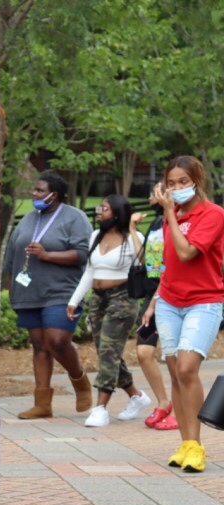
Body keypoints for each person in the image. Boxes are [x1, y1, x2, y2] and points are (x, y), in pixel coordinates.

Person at [144, 155, 224, 472]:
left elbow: (187, 252)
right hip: (168, 301)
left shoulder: (213, 214)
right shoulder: (171, 215)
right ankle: (186, 443)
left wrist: (169, 215)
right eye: (172, 183)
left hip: (204, 301)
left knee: (189, 367)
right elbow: (169, 264)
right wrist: (154, 300)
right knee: (176, 370)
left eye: (183, 182)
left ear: (197, 181)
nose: (177, 188)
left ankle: (197, 445)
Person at [3, 171, 93, 419]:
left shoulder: (75, 218)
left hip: (62, 290)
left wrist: (47, 255)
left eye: (40, 190)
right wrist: (10, 286)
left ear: (56, 195)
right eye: (35, 189)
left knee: (57, 340)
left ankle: (80, 380)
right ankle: (42, 403)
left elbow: (83, 254)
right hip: (30, 292)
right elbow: (13, 253)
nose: (35, 194)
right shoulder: (29, 219)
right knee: (39, 346)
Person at [67, 195, 151, 426]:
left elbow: (146, 262)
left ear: (117, 213)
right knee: (108, 352)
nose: (99, 212)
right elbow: (89, 272)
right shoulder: (96, 236)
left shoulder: (134, 238)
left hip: (122, 299)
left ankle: (100, 407)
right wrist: (74, 300)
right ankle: (136, 396)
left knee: (107, 352)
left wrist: (133, 230)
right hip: (98, 299)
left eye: (104, 208)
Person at [133, 205, 175, 428]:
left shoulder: (177, 223)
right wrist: (132, 229)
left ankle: (178, 409)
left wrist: (154, 303)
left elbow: (171, 267)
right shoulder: (158, 223)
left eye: (157, 190)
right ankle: (163, 403)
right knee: (143, 352)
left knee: (174, 358)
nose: (152, 195)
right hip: (153, 293)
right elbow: (147, 260)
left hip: (171, 295)